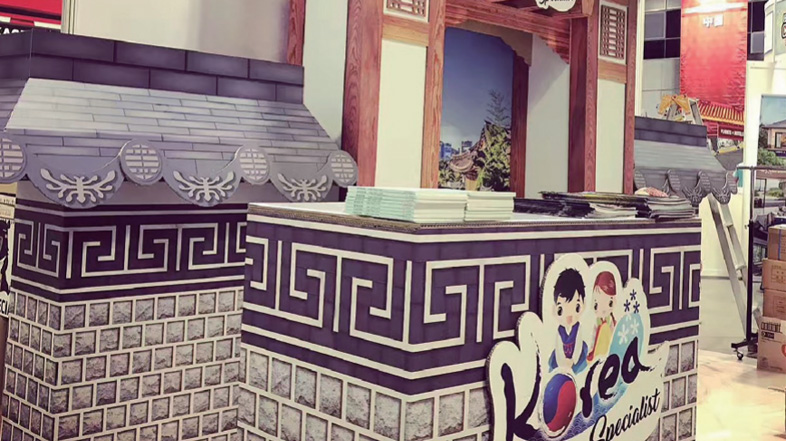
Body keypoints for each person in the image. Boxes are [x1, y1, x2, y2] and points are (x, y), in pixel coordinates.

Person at [549, 268, 588, 374]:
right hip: (561, 360)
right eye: (561, 310)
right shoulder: (560, 331)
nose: (569, 316)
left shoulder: (578, 328)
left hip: (576, 358)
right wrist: (562, 362)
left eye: (577, 308)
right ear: (554, 309)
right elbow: (559, 348)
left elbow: (578, 345)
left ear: (584, 304)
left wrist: (573, 360)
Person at [587, 271, 617, 362]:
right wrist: (591, 348)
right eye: (596, 305)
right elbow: (593, 335)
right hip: (598, 350)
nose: (603, 309)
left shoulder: (611, 321)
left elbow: (614, 334)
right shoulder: (597, 322)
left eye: (609, 303)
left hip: (609, 349)